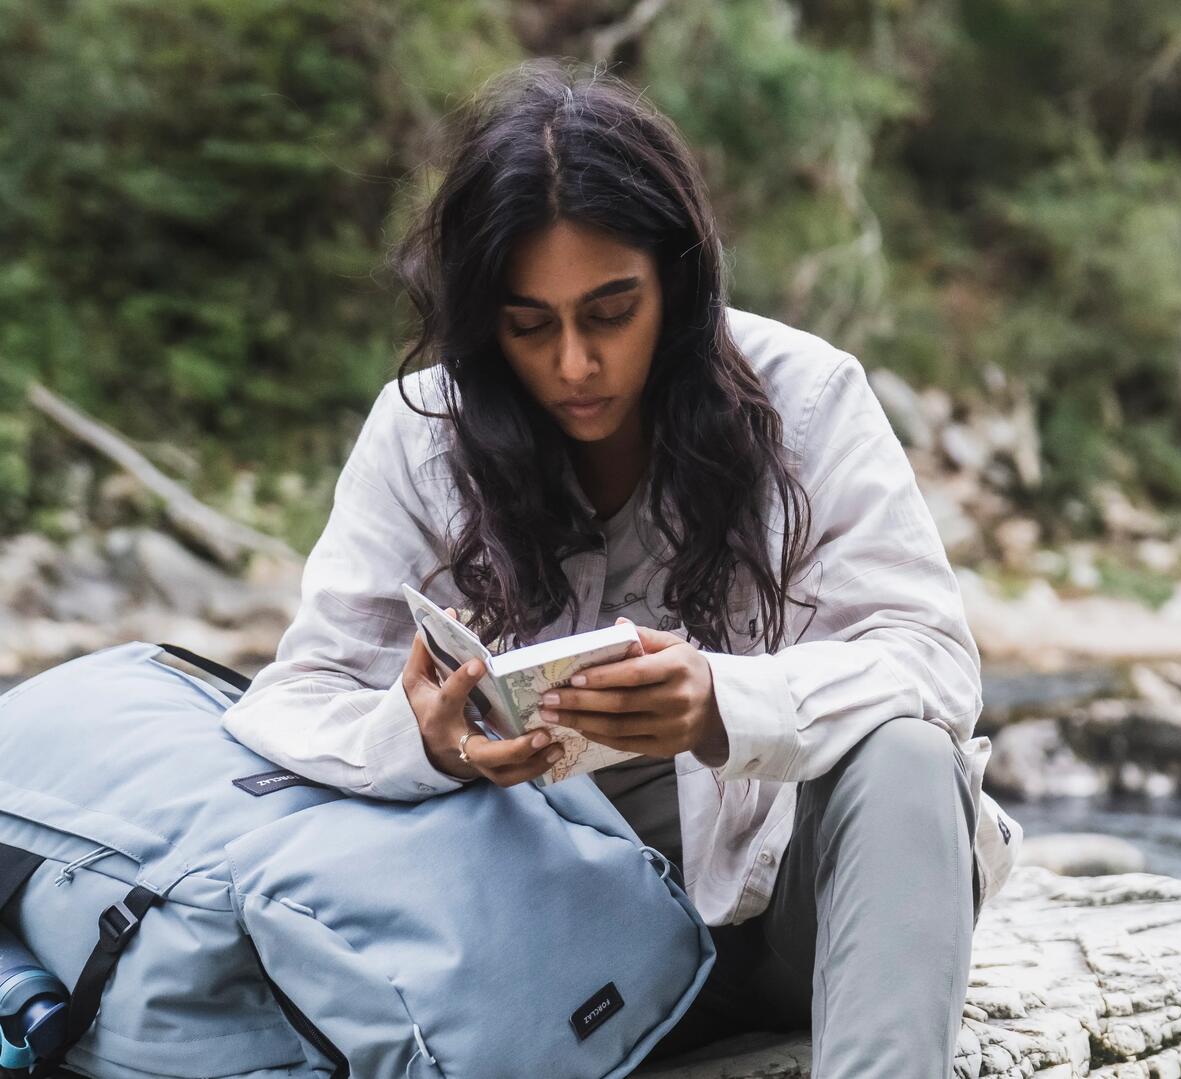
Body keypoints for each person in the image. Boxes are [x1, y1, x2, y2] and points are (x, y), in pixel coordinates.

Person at [220, 58, 1018, 1079]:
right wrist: (424, 739)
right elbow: (297, 698)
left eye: (609, 312)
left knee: (909, 752)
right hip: (540, 955)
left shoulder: (808, 398)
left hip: (786, 928)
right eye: (528, 324)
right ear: (482, 317)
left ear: (676, 284)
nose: (574, 365)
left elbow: (933, 661)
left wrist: (724, 702)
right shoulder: (422, 434)